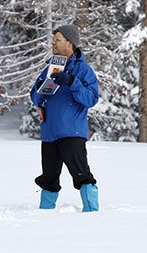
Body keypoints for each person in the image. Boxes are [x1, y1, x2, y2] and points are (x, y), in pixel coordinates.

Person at [30, 25, 100, 212]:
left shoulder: (83, 70)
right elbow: (35, 98)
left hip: (71, 131)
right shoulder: (51, 68)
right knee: (49, 177)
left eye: (58, 40)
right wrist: (44, 84)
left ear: (70, 43)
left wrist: (71, 82)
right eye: (53, 40)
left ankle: (93, 212)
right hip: (50, 133)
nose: (53, 43)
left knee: (81, 174)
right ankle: (44, 214)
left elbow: (91, 99)